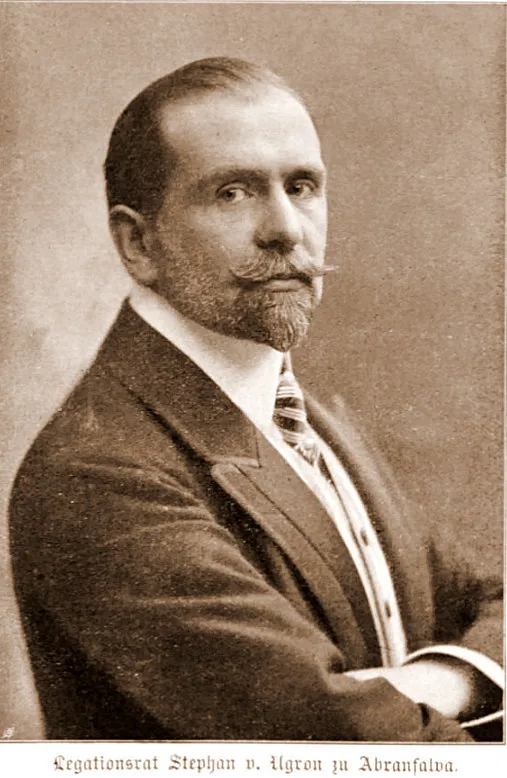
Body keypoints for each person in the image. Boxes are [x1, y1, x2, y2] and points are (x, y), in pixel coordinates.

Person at [9, 57, 503, 742]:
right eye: (233, 193)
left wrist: (441, 680)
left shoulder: (312, 418)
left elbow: (488, 600)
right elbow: (343, 745)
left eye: (301, 186)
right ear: (138, 243)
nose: (285, 229)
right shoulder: (98, 472)